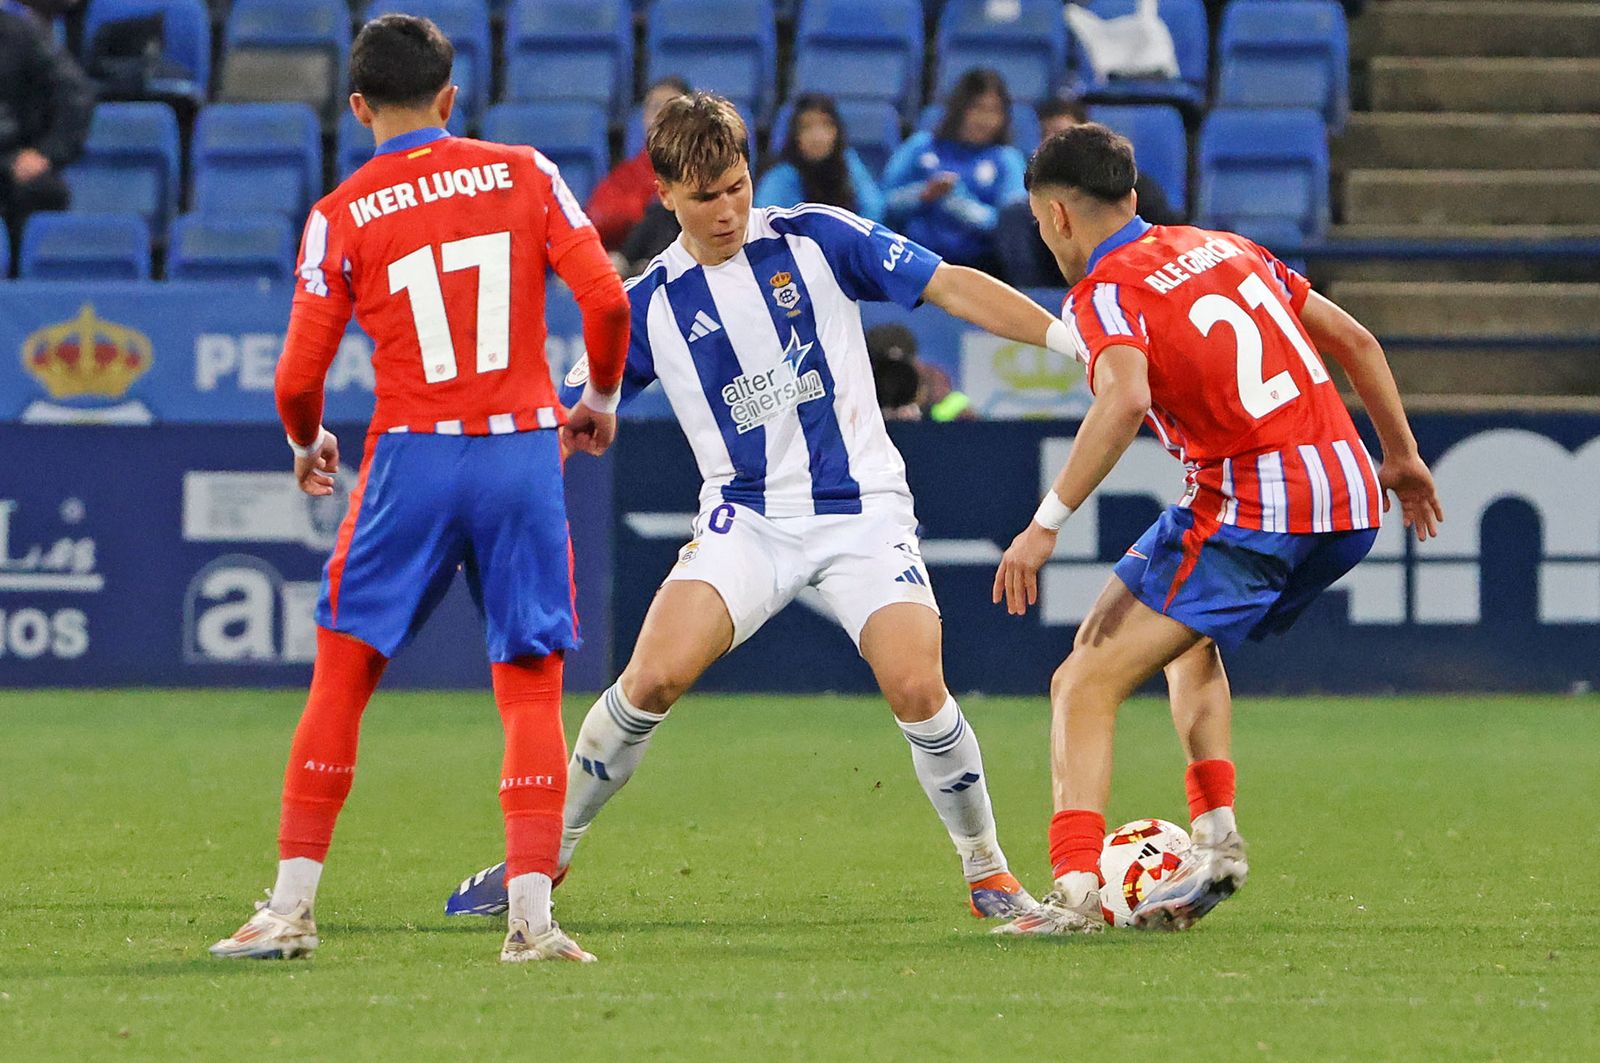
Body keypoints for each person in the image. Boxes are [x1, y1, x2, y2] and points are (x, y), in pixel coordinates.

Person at [444, 92, 1092, 923]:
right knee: (650, 679)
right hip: (744, 519)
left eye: (738, 186)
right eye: (706, 195)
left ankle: (988, 869)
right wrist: (535, 451)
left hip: (861, 509)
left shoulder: (817, 236)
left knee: (916, 684)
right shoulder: (646, 306)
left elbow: (949, 283)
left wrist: (1067, 339)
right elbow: (573, 410)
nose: (728, 209)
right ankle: (540, 858)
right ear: (665, 193)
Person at [207, 15, 630, 965]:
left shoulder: (342, 210)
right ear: (451, 98)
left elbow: (296, 375)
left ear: (357, 107)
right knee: (530, 689)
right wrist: (597, 396)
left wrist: (306, 438)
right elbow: (605, 300)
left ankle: (291, 907)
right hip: (523, 450)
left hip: (415, 456)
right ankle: (531, 920)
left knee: (345, 672)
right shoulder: (525, 171)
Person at [990, 124, 1443, 935]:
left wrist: (1043, 524)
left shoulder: (1103, 291)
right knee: (1187, 636)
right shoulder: (1224, 246)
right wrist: (1402, 457)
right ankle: (1217, 838)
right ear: (1130, 196)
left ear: (1057, 217)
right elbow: (1357, 341)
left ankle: (1075, 893)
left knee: (1082, 680)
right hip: (1347, 500)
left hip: (1251, 507)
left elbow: (1123, 399)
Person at [997, 97, 1181, 288]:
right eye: (1046, 135)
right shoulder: (1036, 202)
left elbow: (1166, 242)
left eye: (1062, 134)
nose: (1053, 144)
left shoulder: (1131, 186)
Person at [880, 68, 1025, 274]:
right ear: (959, 108)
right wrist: (923, 194)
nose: (984, 120)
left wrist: (958, 203)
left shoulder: (1007, 159)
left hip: (982, 271)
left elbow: (1012, 225)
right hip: (913, 266)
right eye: (977, 108)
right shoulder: (920, 145)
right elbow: (883, 204)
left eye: (994, 111)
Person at [0, 4, 93, 261]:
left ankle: (25, 286)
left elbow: (76, 95)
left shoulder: (20, 35)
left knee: (42, 191)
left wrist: (46, 153)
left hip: (11, 164)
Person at [587, 75, 690, 252]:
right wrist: (642, 205)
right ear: (644, 118)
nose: (661, 116)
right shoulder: (626, 174)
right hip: (631, 261)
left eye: (672, 108)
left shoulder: (706, 171)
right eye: (655, 108)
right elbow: (597, 219)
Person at [755, 93, 884, 222]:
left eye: (826, 125)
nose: (817, 136)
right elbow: (767, 221)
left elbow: (873, 208)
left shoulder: (848, 162)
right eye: (807, 127)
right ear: (795, 136)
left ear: (837, 131)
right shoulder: (781, 175)